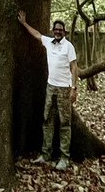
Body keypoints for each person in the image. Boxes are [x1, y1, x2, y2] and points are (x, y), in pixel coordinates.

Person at [18, 10, 78, 169]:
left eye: (61, 30)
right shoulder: (48, 42)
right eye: (56, 29)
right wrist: (24, 23)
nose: (58, 32)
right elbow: (37, 34)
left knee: (65, 123)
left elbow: (74, 67)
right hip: (50, 87)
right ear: (53, 31)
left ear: (64, 32)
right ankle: (46, 155)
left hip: (64, 89)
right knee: (47, 120)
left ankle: (64, 158)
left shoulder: (68, 46)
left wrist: (74, 88)